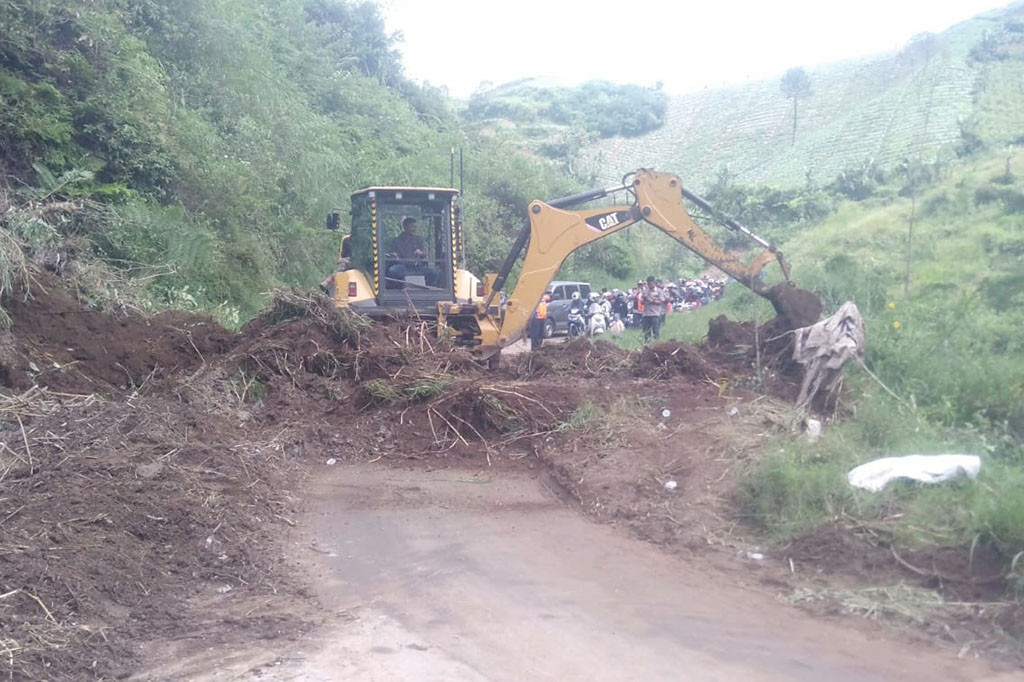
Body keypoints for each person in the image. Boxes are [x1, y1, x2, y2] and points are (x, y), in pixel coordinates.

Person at [386, 217, 438, 288]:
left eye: (415, 226)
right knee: (392, 271)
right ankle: (398, 290)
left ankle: (427, 290)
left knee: (433, 273)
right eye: (412, 226)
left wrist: (421, 252)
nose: (414, 228)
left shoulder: (419, 239)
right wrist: (394, 255)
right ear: (405, 227)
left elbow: (425, 254)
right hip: (403, 267)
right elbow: (392, 254)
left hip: (417, 267)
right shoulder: (397, 241)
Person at [641, 275, 667, 341]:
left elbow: (661, 301)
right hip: (646, 314)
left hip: (655, 314)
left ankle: (656, 345)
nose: (649, 285)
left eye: (651, 284)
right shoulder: (645, 291)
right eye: (648, 284)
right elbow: (642, 302)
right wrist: (644, 299)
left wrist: (651, 300)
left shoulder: (659, 291)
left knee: (656, 331)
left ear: (654, 283)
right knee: (646, 333)